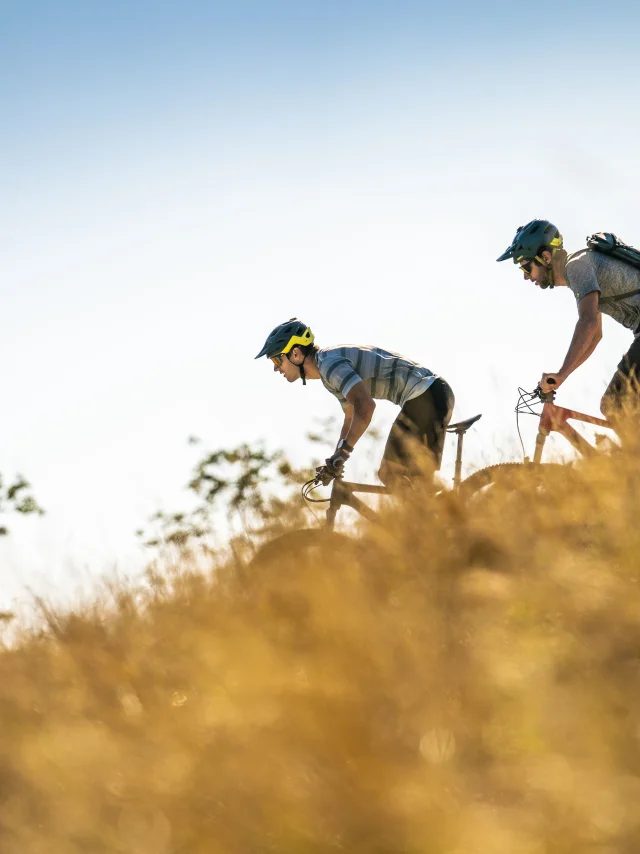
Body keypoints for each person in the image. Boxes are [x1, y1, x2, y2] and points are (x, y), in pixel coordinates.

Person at [255, 318, 455, 487]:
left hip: (425, 396)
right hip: (433, 393)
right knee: (417, 482)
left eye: (276, 360)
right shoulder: (327, 367)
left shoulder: (329, 365)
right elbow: (351, 416)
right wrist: (335, 460)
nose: (275, 368)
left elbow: (365, 407)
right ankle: (453, 512)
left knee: (390, 473)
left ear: (296, 353)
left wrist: (343, 454)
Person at [497, 219, 640, 416]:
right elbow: (595, 335)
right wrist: (562, 376)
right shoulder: (582, 267)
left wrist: (562, 373)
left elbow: (588, 323)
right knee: (623, 407)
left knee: (614, 405)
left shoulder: (577, 267)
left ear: (545, 257)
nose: (526, 277)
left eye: (526, 268)